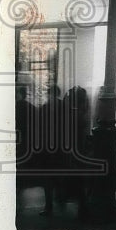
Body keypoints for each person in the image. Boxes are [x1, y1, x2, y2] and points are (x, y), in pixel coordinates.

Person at [61, 86, 92, 220]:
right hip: (80, 148)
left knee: (75, 176)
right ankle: (83, 204)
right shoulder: (81, 114)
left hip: (72, 149)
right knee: (80, 177)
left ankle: (79, 203)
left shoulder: (71, 115)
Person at [38, 84, 62, 216]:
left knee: (48, 178)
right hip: (62, 148)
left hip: (48, 148)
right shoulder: (65, 107)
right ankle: (59, 197)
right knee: (60, 175)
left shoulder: (44, 109)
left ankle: (48, 205)